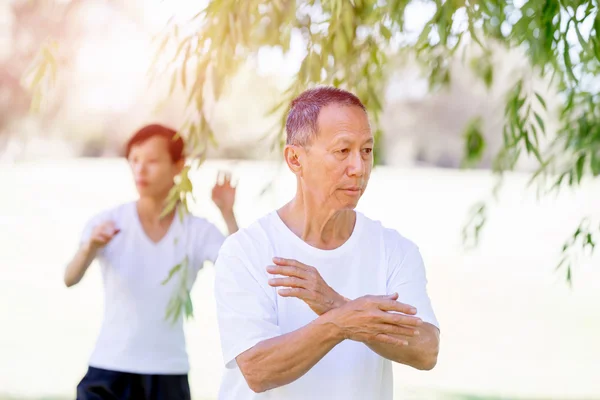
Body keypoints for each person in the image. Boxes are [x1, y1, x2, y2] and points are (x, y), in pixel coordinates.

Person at [214, 87, 440, 400]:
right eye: (342, 151)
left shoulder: (394, 251)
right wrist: (340, 323)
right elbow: (257, 370)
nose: (359, 168)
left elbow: (426, 350)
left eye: (366, 151)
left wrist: (333, 305)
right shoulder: (247, 250)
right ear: (295, 159)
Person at [65, 124, 239, 400]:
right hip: (108, 371)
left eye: (152, 161)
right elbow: (69, 279)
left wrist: (227, 213)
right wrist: (90, 248)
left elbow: (240, 272)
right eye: (134, 161)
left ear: (178, 165)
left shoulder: (195, 230)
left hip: (167, 373)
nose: (140, 170)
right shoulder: (108, 222)